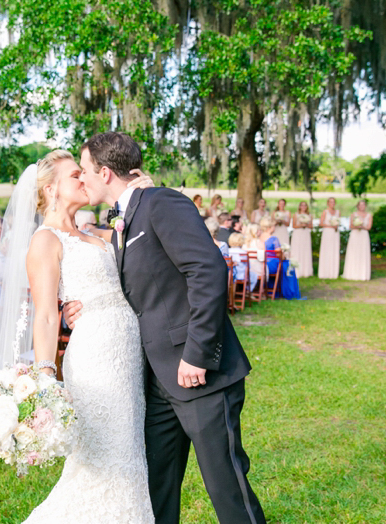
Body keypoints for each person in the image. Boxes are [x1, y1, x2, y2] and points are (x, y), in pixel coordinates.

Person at [72, 132, 264, 523]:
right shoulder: (126, 217)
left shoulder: (162, 203)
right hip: (157, 378)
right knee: (156, 484)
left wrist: (196, 355)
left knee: (225, 485)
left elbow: (208, 271)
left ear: (105, 173)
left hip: (199, 372)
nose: (82, 179)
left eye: (85, 171)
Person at [0, 147, 156, 522]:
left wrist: (142, 193)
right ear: (50, 189)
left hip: (128, 353)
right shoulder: (45, 241)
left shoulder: (94, 230)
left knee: (127, 451)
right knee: (102, 458)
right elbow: (46, 315)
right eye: (75, 175)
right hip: (96, 357)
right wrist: (45, 376)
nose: (85, 179)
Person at [259, 217, 300, 299]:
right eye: (274, 226)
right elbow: (279, 255)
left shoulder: (259, 237)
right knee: (288, 264)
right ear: (269, 227)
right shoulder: (273, 239)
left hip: (261, 263)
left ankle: (273, 289)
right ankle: (288, 291)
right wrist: (284, 256)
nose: (275, 228)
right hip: (271, 264)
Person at [342, 200, 372, 281]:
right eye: (360, 205)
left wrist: (362, 227)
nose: (362, 206)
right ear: (358, 206)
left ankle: (362, 274)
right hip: (355, 235)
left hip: (364, 236)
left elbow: (369, 227)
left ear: (365, 206)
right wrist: (357, 226)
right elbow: (350, 226)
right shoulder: (353, 215)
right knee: (354, 253)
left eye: (363, 205)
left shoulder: (369, 215)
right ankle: (352, 273)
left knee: (363, 253)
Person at [318, 197, 341, 279]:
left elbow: (339, 223)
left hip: (335, 233)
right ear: (328, 203)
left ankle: (334, 272)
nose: (332, 203)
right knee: (326, 250)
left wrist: (336, 226)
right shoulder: (325, 212)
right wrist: (331, 225)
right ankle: (325, 272)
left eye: (334, 202)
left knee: (334, 250)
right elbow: (321, 223)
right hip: (327, 233)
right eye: (331, 202)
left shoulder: (338, 212)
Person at [290, 201, 314, 278]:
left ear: (307, 207)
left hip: (306, 234)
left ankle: (306, 271)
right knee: (297, 250)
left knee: (305, 250)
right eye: (302, 205)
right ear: (299, 206)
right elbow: (293, 226)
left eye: (305, 205)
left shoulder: (310, 215)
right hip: (298, 234)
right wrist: (301, 225)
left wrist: (306, 224)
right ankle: (296, 270)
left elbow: (311, 226)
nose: (303, 207)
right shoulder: (295, 215)